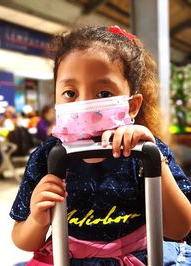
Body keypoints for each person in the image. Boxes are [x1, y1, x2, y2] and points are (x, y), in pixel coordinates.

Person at [10, 26, 191, 265]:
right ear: (55, 98)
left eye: (104, 93)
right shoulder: (47, 157)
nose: (85, 103)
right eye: (70, 93)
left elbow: (180, 229)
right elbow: (23, 240)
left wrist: (155, 162)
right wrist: (37, 219)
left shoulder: (145, 151)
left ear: (132, 105)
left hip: (140, 257)